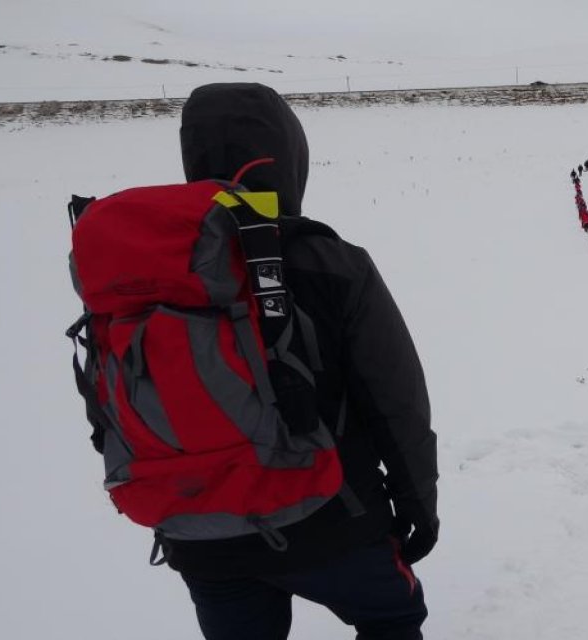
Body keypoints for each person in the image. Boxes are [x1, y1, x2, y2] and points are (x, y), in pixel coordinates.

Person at [175, 83, 439, 640]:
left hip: (203, 532)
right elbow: (396, 401)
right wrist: (418, 503)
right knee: (390, 618)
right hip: (336, 521)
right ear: (291, 160)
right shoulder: (331, 263)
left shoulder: (153, 270)